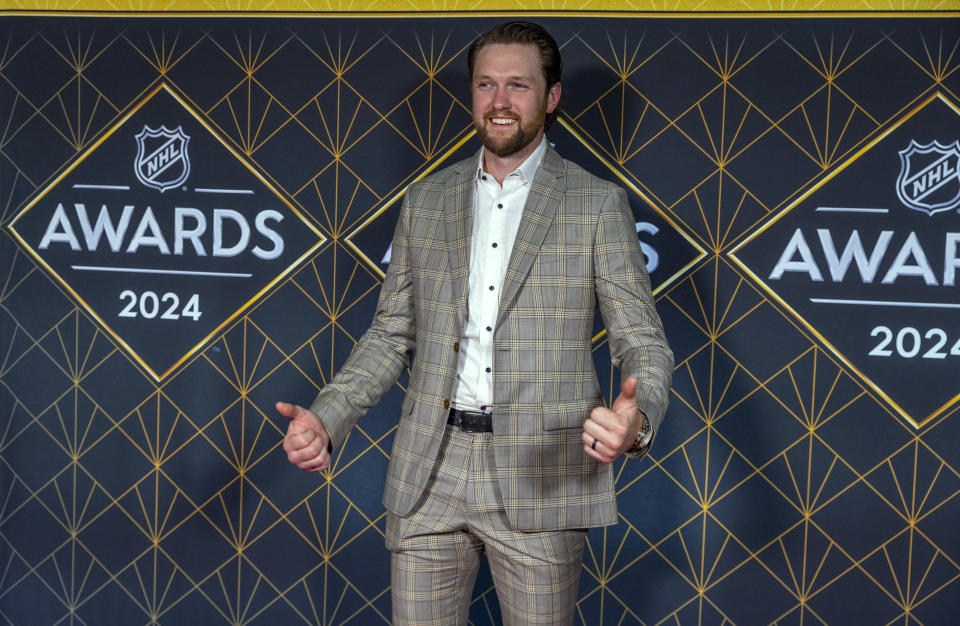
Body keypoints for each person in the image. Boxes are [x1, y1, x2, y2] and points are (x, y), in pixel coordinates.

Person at [277, 20, 673, 625]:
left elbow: (642, 340)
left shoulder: (597, 204)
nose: (499, 102)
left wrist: (636, 418)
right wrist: (328, 418)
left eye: (518, 84)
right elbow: (390, 335)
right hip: (428, 474)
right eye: (486, 85)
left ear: (552, 96)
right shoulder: (427, 201)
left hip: (545, 473)